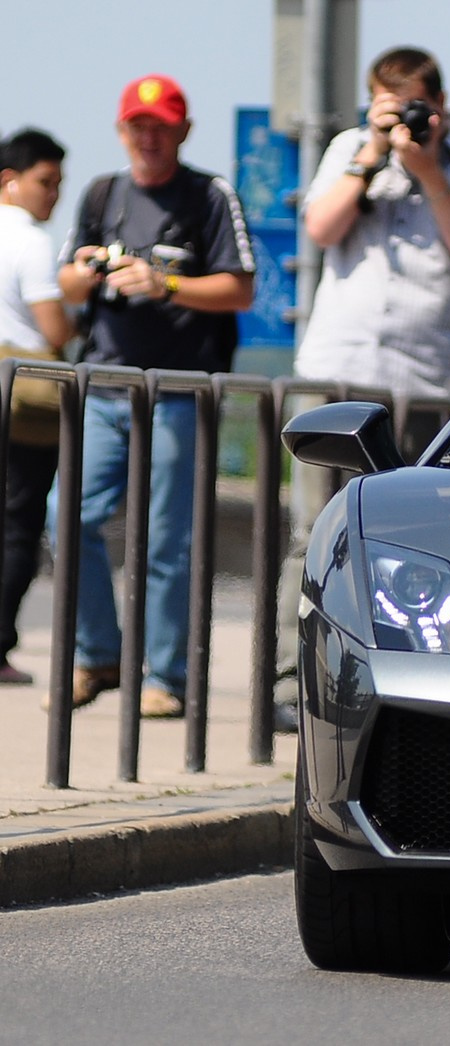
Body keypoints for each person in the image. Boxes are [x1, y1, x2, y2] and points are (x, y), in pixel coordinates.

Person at [277, 46, 450, 730]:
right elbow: (320, 229)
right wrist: (371, 157)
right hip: (338, 371)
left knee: (426, 545)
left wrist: (430, 171)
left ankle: (420, 693)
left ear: (439, 104)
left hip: (432, 381)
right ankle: (292, 686)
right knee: (315, 536)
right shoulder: (355, 146)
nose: (408, 119)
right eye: (392, 107)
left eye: (417, 106)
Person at [51, 74, 255, 717]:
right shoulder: (102, 193)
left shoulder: (210, 196)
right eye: (138, 126)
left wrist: (163, 282)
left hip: (179, 391)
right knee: (69, 517)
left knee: (166, 538)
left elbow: (240, 288)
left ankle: (167, 677)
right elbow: (65, 284)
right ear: (121, 131)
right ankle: (99, 655)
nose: (149, 137)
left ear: (183, 132)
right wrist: (87, 273)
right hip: (105, 385)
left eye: (161, 126)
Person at [0, 128, 71, 685]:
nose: (53, 195)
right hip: (23, 400)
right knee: (19, 525)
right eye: (45, 182)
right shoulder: (30, 240)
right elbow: (53, 328)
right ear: (11, 181)